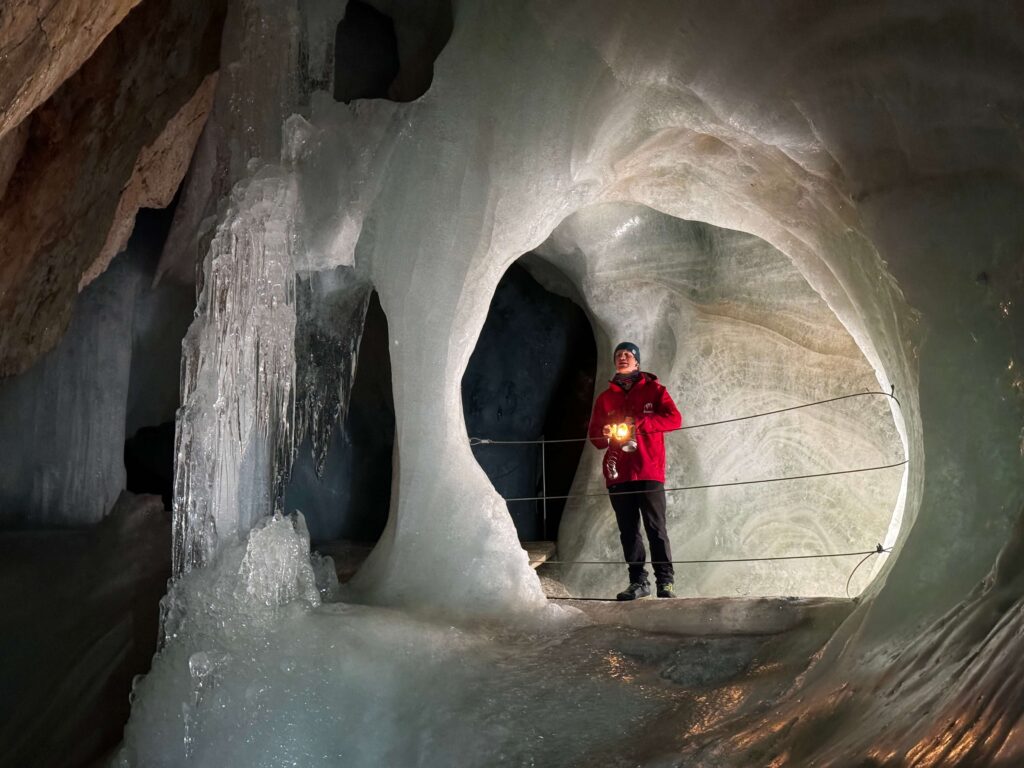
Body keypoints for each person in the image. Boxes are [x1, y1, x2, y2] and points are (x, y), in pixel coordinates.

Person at [588, 342, 682, 600]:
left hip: (648, 470)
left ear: (637, 362)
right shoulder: (606, 399)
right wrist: (605, 433)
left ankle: (666, 582)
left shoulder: (654, 390)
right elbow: (595, 438)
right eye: (619, 355)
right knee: (628, 531)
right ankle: (638, 582)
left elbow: (675, 419)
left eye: (628, 354)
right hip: (619, 473)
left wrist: (642, 421)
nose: (623, 357)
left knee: (656, 528)